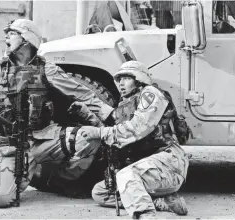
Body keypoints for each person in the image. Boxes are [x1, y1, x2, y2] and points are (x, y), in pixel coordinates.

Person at [0, 19, 114, 208]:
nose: (6, 37)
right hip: (9, 144)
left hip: (43, 138)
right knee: (1, 199)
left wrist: (109, 113)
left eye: (11, 33)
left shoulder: (46, 68)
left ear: (26, 39)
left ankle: (55, 182)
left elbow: (80, 92)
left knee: (89, 139)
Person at [79, 61, 190, 219]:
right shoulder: (126, 105)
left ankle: (146, 215)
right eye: (119, 80)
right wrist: (86, 113)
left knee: (127, 176)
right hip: (148, 166)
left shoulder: (151, 93)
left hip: (168, 162)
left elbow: (137, 127)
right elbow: (113, 123)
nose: (121, 83)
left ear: (139, 79)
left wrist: (98, 132)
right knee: (100, 192)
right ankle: (161, 202)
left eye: (126, 78)